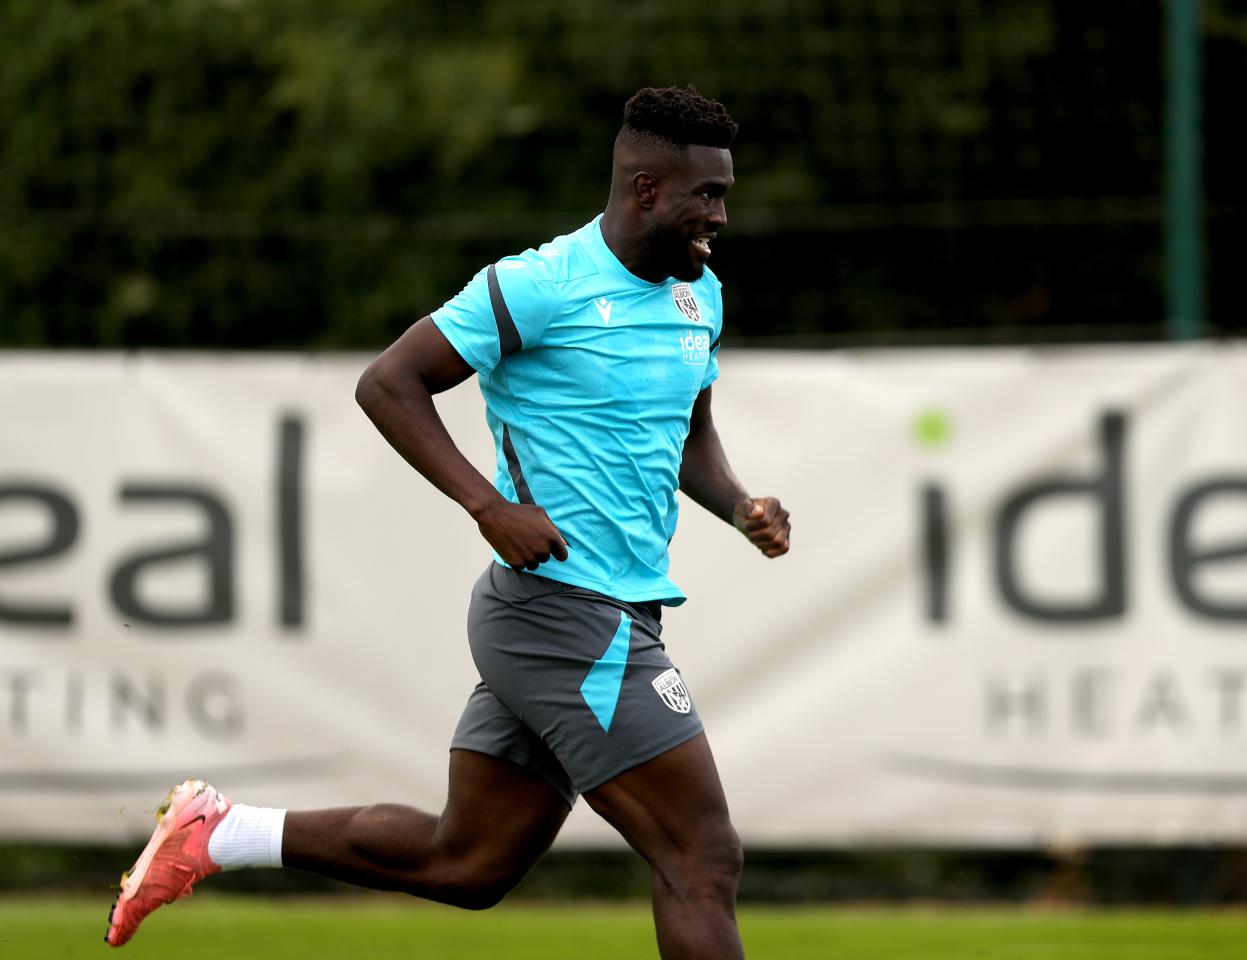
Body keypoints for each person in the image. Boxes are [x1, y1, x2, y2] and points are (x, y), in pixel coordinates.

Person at [105, 84, 790, 960]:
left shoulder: (701, 300)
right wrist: (487, 504)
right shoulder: (540, 284)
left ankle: (221, 833)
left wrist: (738, 506)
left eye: (725, 194)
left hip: (582, 616)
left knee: (466, 863)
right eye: (707, 195)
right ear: (646, 190)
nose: (721, 216)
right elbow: (388, 382)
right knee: (702, 855)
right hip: (564, 615)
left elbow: (688, 437)